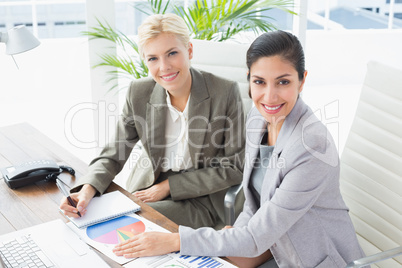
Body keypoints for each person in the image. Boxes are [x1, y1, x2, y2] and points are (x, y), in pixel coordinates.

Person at [112, 30, 366, 268]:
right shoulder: (257, 118)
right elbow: (253, 204)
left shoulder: (311, 146)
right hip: (271, 241)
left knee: (179, 248)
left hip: (311, 257)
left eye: (283, 82)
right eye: (259, 82)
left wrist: (177, 239)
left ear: (302, 81)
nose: (269, 96)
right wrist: (238, 231)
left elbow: (257, 236)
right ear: (249, 81)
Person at [59, 13, 245, 229]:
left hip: (202, 199)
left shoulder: (225, 92)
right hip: (148, 188)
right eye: (153, 58)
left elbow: (233, 167)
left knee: (126, 224)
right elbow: (113, 153)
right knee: (93, 216)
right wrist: (87, 189)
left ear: (190, 50)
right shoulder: (139, 93)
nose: (164, 67)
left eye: (172, 53)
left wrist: (170, 186)